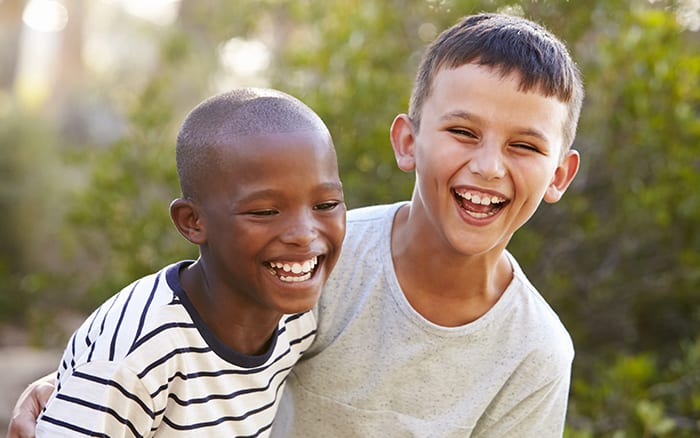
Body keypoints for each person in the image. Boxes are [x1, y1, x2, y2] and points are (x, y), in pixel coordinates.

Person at [8, 12, 583, 437]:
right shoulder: (317, 257)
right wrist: (77, 395)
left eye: (525, 145)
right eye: (462, 132)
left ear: (559, 175)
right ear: (408, 142)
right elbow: (183, 343)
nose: (487, 166)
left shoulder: (535, 353)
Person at [20, 87, 347, 437]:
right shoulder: (133, 361)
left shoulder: (297, 316)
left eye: (326, 205)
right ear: (192, 221)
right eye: (264, 211)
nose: (303, 234)